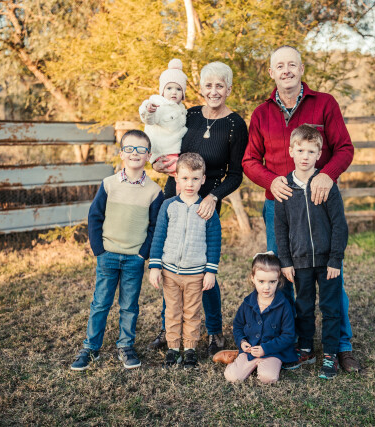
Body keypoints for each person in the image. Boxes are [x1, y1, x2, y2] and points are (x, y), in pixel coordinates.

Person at [241, 45, 360, 372]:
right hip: (280, 207)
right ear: (271, 72)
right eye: (280, 66)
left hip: (319, 203)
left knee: (331, 275)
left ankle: (342, 345)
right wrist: (270, 181)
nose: (286, 70)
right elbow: (249, 160)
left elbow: (345, 148)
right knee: (285, 274)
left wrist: (327, 174)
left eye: (292, 64)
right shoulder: (261, 113)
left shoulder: (325, 103)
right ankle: (291, 343)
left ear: (302, 68)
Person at [150, 61, 248, 357]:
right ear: (201, 88)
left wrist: (214, 197)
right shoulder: (188, 114)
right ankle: (169, 329)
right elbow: (165, 139)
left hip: (206, 202)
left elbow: (236, 174)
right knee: (171, 263)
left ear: (229, 89)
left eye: (220, 85)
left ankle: (215, 331)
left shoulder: (235, 125)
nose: (214, 91)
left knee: (203, 267)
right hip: (175, 194)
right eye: (208, 85)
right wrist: (159, 162)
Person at [70, 130, 165, 371]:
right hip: (108, 255)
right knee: (100, 303)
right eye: (129, 148)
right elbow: (95, 216)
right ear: (121, 153)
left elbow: (155, 227)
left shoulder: (154, 191)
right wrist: (99, 249)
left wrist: (143, 254)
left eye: (141, 149)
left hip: (134, 258)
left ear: (149, 155)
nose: (135, 153)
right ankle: (91, 348)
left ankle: (126, 346)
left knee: (129, 306)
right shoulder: (109, 184)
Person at [274, 125, 349, 379]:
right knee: (303, 306)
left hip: (328, 262)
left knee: (330, 308)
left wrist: (335, 259)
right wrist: (285, 261)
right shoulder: (284, 188)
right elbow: (280, 229)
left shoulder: (327, 186)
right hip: (299, 261)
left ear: (319, 154)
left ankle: (330, 354)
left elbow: (339, 225)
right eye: (300, 150)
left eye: (311, 151)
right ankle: (306, 348)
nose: (305, 156)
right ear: (291, 151)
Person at [149, 153, 222, 368]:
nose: (190, 184)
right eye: (185, 178)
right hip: (170, 271)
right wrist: (155, 267)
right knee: (172, 311)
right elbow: (159, 236)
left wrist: (210, 271)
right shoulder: (169, 205)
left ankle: (190, 349)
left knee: (192, 312)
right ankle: (173, 348)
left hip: (196, 273)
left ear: (203, 179)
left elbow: (214, 241)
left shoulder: (207, 209)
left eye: (195, 179)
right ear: (176, 179)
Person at [224, 252, 298, 384]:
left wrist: (266, 349)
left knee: (268, 378)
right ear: (253, 278)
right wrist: (242, 341)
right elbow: (238, 326)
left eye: (272, 282)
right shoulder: (247, 303)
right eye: (261, 281)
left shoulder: (284, 305)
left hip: (273, 352)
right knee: (232, 377)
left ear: (279, 280)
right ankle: (236, 356)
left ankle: (260, 363)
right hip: (249, 351)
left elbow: (288, 335)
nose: (267, 287)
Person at [138, 58, 188, 175]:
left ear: (183, 93)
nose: (174, 92)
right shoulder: (158, 104)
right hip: (162, 154)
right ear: (162, 91)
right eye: (169, 88)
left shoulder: (181, 108)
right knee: (185, 172)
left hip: (175, 152)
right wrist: (149, 110)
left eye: (178, 89)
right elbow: (148, 119)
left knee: (183, 174)